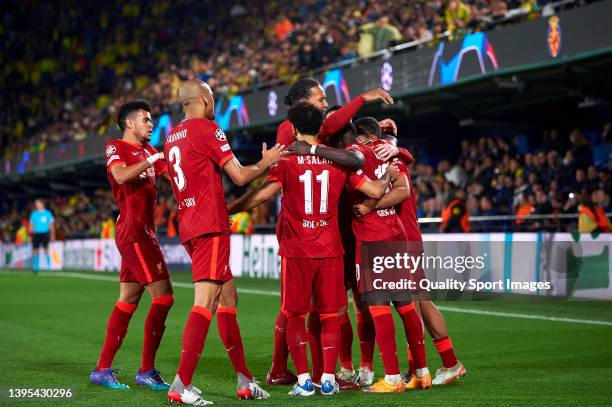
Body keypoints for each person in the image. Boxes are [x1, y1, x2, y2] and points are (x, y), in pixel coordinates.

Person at [229, 102, 395, 397]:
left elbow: (260, 197)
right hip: (331, 249)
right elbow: (373, 191)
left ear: (293, 128)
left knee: (295, 315)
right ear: (321, 129)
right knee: (331, 315)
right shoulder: (339, 162)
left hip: (296, 249)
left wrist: (228, 209)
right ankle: (329, 379)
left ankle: (304, 380)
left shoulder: (286, 160)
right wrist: (388, 176)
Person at [268, 78, 397, 385]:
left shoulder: (319, 142)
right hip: (307, 234)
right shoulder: (291, 131)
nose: (325, 104)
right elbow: (346, 144)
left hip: (336, 232)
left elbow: (348, 144)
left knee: (335, 307)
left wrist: (371, 131)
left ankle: (348, 369)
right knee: (305, 309)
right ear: (303, 104)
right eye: (321, 99)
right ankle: (296, 371)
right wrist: (362, 98)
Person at [164, 80, 284, 405]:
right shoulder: (208, 128)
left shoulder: (172, 136)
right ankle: (181, 384)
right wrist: (267, 162)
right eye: (213, 98)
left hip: (189, 223)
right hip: (209, 226)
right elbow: (241, 176)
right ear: (204, 99)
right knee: (206, 301)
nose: (214, 103)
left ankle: (245, 380)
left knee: (228, 296)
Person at [356, 133, 467, 386]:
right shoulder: (395, 159)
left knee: (414, 305)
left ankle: (424, 369)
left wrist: (369, 207)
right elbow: (406, 157)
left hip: (401, 240)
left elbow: (401, 192)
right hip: (406, 238)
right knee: (421, 302)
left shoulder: (389, 163)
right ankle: (445, 364)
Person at [91, 101, 175, 392]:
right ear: (130, 123)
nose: (151, 125)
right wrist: (152, 160)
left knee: (127, 300)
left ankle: (102, 370)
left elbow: (174, 174)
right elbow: (120, 175)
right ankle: (146, 370)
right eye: (146, 120)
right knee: (164, 298)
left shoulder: (150, 152)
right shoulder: (117, 147)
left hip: (143, 232)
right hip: (135, 233)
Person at [348, 118, 431, 392]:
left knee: (379, 309)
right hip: (396, 234)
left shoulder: (353, 154)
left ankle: (393, 378)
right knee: (406, 307)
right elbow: (404, 191)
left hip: (372, 237)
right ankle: (422, 372)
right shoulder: (391, 152)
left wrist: (368, 208)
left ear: (358, 135)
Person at [29, 199, 55, 273]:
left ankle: (48, 267)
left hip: (45, 233)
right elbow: (31, 225)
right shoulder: (34, 214)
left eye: (38, 203)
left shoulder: (48, 213)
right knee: (35, 250)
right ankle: (36, 268)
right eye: (36, 204)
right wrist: (30, 236)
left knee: (46, 249)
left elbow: (51, 225)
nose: (36, 205)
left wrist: (53, 234)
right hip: (36, 234)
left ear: (42, 204)